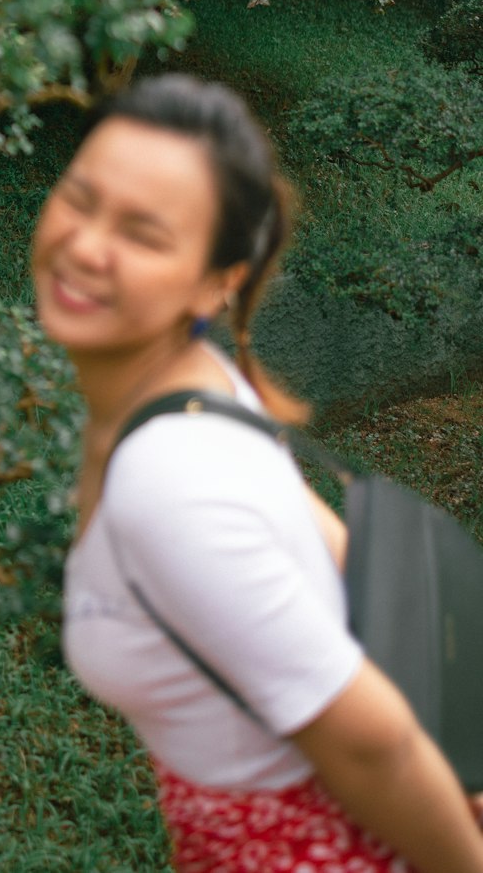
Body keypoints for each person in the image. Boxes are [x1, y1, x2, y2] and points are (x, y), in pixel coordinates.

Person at [32, 73, 483, 873]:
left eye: (143, 232)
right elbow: (340, 560)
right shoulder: (200, 387)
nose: (86, 244)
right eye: (80, 197)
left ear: (217, 280)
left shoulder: (170, 482)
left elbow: (372, 742)